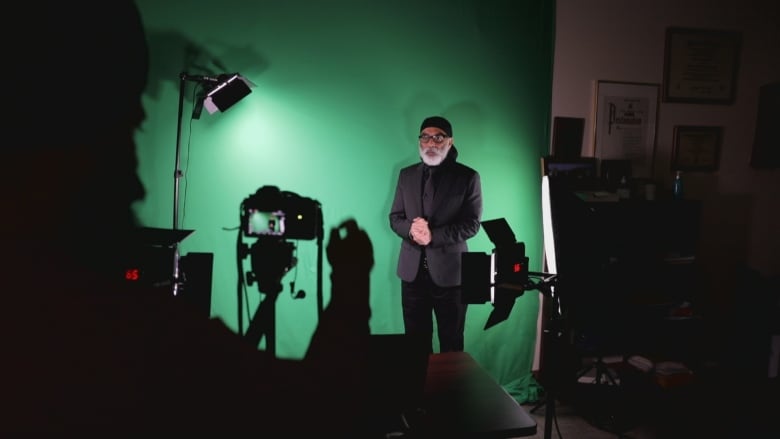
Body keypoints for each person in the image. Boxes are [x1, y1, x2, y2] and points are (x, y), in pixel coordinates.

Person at [3, 2, 371, 434]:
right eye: (127, 129)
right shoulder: (133, 337)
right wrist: (350, 281)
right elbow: (316, 406)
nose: (136, 184)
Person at [389, 116, 483, 353]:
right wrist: (411, 229)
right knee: (415, 343)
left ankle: (450, 390)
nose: (431, 142)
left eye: (438, 137)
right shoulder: (406, 175)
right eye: (425, 137)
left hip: (452, 278)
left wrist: (433, 236)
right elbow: (395, 218)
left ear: (449, 142)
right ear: (419, 141)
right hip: (411, 276)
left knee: (451, 343)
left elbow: (472, 224)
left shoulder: (468, 177)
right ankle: (419, 390)